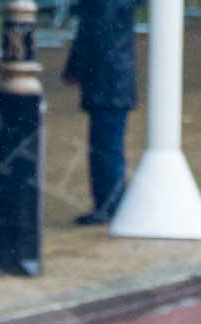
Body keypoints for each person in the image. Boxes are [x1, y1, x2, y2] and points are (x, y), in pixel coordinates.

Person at [61, 0, 139, 224]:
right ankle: (110, 202)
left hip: (106, 78)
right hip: (113, 76)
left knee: (105, 147)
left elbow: (93, 32)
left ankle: (108, 205)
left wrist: (75, 67)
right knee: (108, 145)